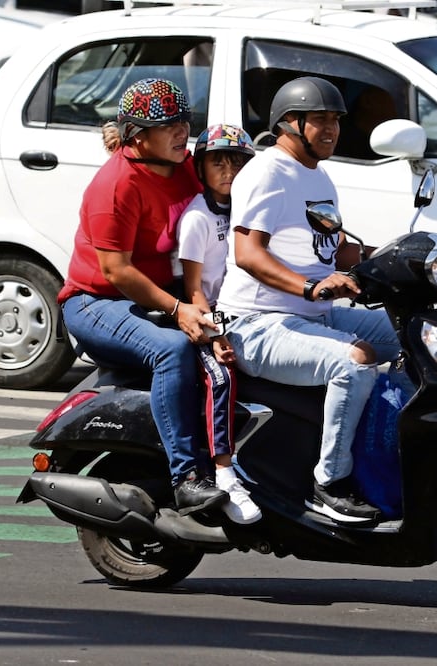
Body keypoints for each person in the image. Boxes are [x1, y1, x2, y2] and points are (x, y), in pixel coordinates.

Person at [218, 76, 401, 524]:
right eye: (319, 120)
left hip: (312, 314)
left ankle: (386, 449)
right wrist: (308, 287)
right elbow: (247, 253)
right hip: (256, 324)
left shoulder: (318, 176)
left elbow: (332, 250)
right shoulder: (267, 173)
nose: (331, 129)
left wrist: (395, 259)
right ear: (289, 123)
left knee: (409, 334)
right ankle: (329, 482)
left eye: (335, 120)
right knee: (355, 361)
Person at [58, 78, 228, 516]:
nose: (181, 132)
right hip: (96, 302)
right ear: (138, 135)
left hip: (163, 294)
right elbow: (116, 271)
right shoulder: (115, 185)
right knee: (173, 351)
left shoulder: (186, 166)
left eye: (184, 121)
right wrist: (177, 309)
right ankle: (188, 477)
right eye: (168, 125)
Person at [173, 123, 261, 524]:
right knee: (221, 378)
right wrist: (215, 335)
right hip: (205, 319)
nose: (228, 172)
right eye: (218, 163)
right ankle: (225, 471)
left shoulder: (248, 210)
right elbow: (194, 289)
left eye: (237, 163)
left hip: (246, 312)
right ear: (201, 169)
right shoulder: (198, 218)